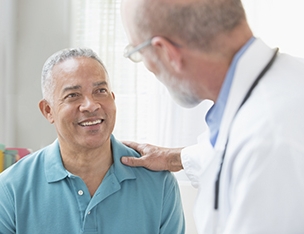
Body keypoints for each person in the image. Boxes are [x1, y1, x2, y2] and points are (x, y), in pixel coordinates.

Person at [120, 0, 304, 233]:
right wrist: (173, 158)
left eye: (137, 53)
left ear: (166, 52)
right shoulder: (286, 82)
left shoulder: (269, 144)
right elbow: (228, 150)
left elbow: (253, 151)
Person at [0, 48, 185, 233]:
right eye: (73, 95)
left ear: (113, 98)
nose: (90, 105)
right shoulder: (12, 188)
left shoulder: (160, 183)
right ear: (48, 110)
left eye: (100, 91)